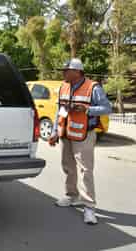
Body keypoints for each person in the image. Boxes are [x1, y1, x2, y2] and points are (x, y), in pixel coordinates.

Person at [48, 58, 112, 225]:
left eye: (66, 70)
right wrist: (55, 131)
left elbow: (107, 108)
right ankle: (71, 195)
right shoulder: (64, 86)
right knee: (68, 166)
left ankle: (89, 207)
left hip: (84, 134)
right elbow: (60, 111)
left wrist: (87, 109)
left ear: (77, 71)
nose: (63, 73)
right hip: (66, 133)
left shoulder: (93, 87)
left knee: (85, 170)